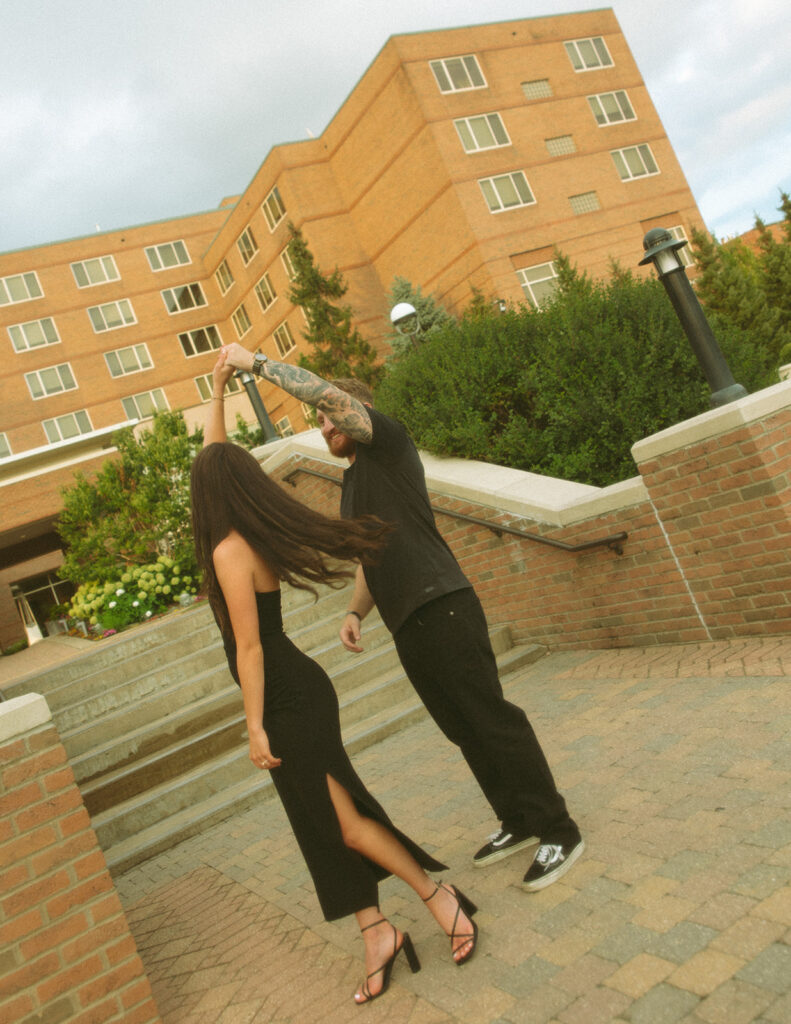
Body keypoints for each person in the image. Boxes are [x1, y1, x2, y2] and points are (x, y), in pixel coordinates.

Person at [220, 342, 584, 891]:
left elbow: (329, 395)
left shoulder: (388, 444)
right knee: (462, 728)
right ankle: (518, 819)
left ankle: (559, 828)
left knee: (490, 717)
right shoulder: (353, 483)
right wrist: (355, 611)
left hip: (444, 603)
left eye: (328, 418)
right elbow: (373, 556)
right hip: (407, 622)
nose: (323, 427)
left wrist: (256, 365)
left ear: (356, 413)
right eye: (318, 422)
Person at [191, 354, 479, 1006]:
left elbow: (249, 648)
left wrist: (253, 724)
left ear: (203, 492)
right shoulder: (240, 529)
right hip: (293, 686)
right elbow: (216, 457)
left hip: (287, 694)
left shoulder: (228, 550)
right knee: (316, 824)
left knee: (344, 821)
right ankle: (375, 932)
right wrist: (213, 390)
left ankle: (439, 897)